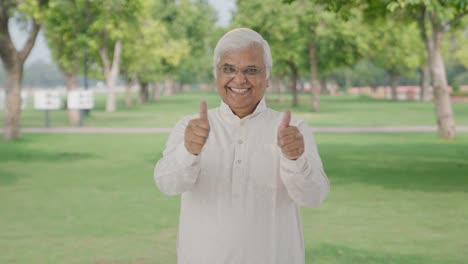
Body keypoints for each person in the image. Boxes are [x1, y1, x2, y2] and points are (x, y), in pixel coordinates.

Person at [153, 28, 329, 264]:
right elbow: (167, 185)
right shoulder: (191, 127)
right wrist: (189, 152)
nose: (239, 79)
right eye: (229, 69)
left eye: (251, 70)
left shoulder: (293, 130)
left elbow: (314, 196)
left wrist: (295, 159)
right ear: (217, 74)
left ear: (267, 76)